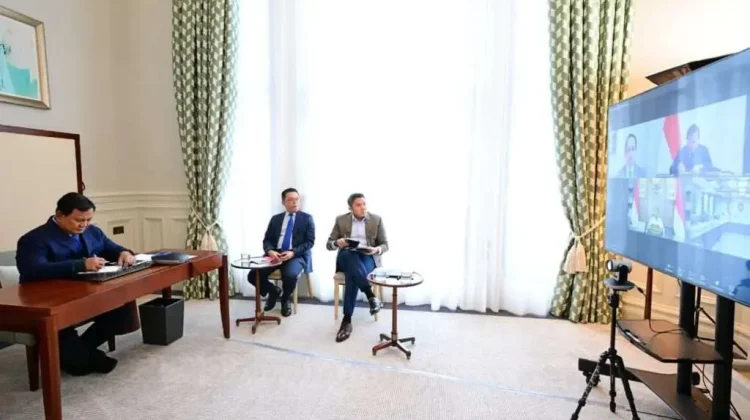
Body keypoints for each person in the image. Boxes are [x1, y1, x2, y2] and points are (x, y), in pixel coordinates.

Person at [15, 192, 138, 376]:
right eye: (79, 220)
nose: (84, 225)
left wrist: (125, 253)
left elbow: (111, 248)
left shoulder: (92, 231)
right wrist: (80, 265)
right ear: (59, 215)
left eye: (88, 219)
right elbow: (33, 269)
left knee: (123, 307)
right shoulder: (34, 239)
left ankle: (83, 350)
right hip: (48, 301)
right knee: (79, 367)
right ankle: (87, 356)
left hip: (85, 292)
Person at [327, 193, 387, 342]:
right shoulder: (341, 220)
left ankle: (346, 320)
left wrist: (376, 250)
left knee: (352, 274)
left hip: (367, 256)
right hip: (346, 256)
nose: (363, 208)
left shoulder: (376, 219)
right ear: (350, 208)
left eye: (364, 204)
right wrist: (337, 243)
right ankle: (371, 296)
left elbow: (385, 244)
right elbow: (329, 244)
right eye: (358, 205)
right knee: (349, 256)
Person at [248, 188, 315, 317]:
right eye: (291, 200)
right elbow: (267, 240)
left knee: (290, 275)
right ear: (283, 202)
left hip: (296, 255)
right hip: (276, 253)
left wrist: (293, 252)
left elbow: (309, 242)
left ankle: (285, 299)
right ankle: (273, 291)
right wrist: (270, 251)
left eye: (297, 199)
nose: (295, 202)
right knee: (252, 275)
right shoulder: (276, 219)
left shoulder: (307, 218)